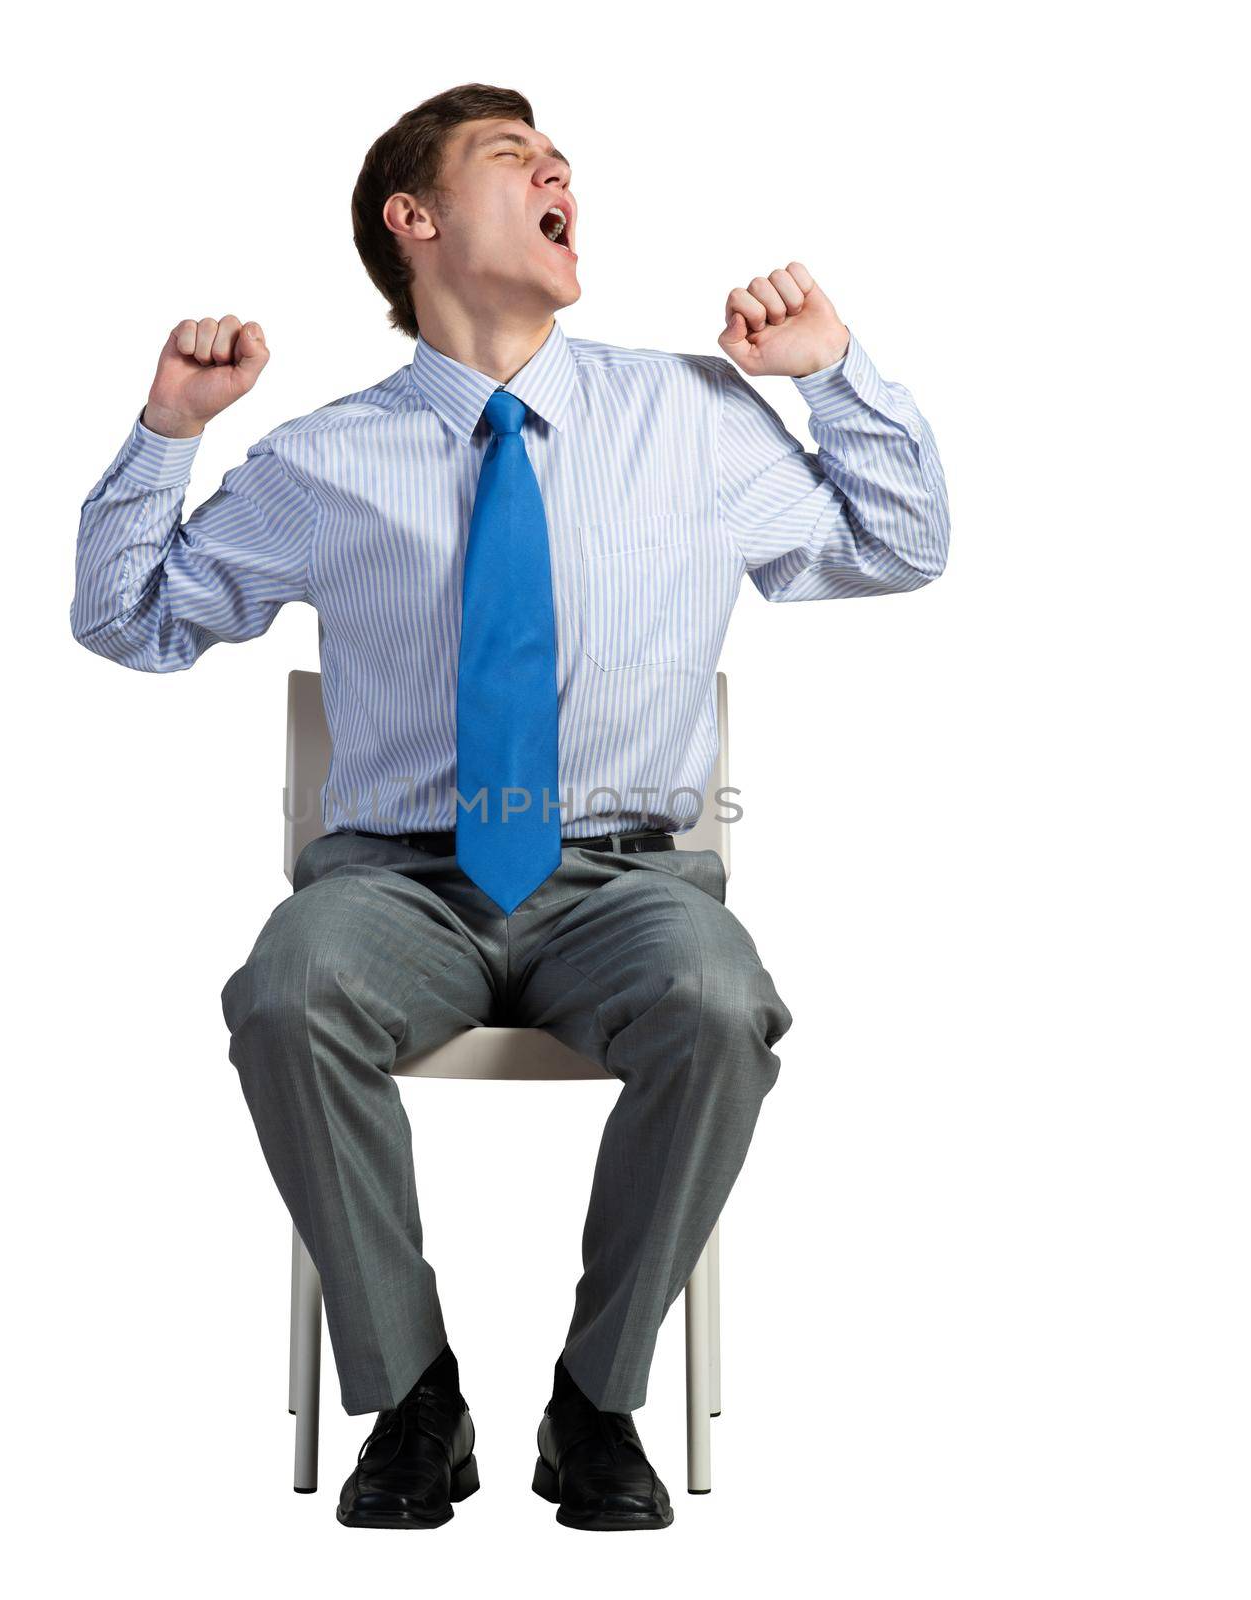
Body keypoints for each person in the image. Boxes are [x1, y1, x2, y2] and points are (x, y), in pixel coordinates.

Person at [70, 82, 950, 1532]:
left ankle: (595, 1406)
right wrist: (171, 431)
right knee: (287, 992)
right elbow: (131, 623)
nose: (558, 172)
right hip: (393, 888)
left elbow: (902, 546)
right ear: (412, 223)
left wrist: (830, 372)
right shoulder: (320, 457)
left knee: (718, 1003)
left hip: (633, 888)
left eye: (560, 160)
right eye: (511, 158)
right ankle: (414, 1403)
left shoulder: (697, 414)